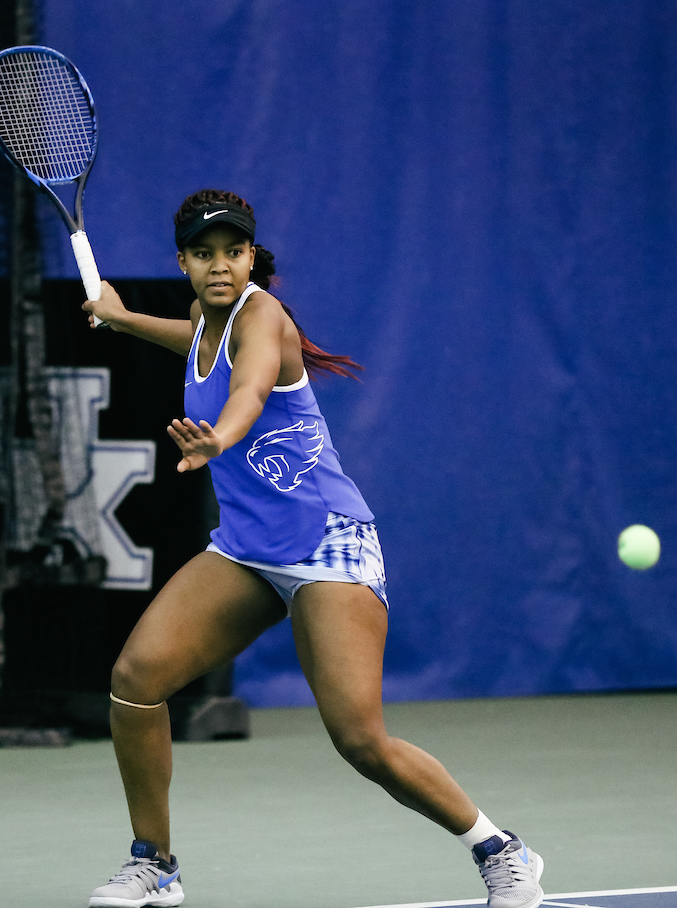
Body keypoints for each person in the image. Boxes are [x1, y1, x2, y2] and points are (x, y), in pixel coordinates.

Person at [80, 189, 545, 908]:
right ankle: (156, 863)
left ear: (249, 256)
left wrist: (222, 438)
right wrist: (121, 318)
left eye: (232, 253)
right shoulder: (206, 320)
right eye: (203, 255)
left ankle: (500, 850)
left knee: (361, 740)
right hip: (247, 550)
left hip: (328, 543)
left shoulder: (265, 317)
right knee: (135, 680)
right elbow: (191, 339)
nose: (220, 267)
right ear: (184, 262)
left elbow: (252, 383)